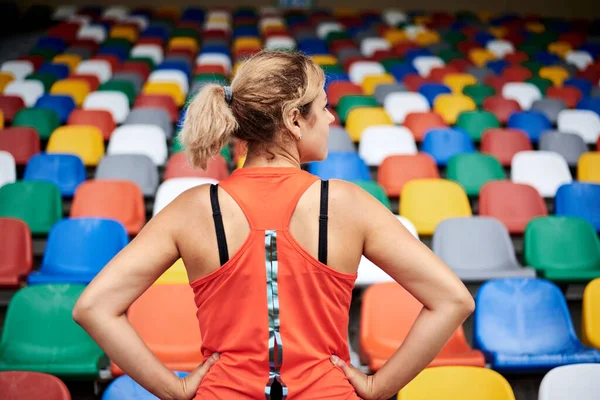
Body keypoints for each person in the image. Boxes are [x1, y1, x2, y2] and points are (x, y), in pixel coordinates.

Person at [73, 51, 475, 400]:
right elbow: (453, 300)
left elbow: (94, 307)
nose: (331, 117)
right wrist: (378, 387)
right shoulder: (347, 203)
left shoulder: (193, 208)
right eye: (323, 105)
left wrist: (174, 390)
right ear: (294, 120)